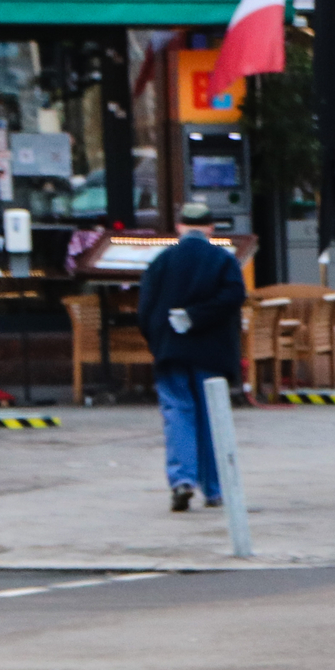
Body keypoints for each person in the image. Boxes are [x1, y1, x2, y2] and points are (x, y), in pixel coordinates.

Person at [135, 199, 246, 513]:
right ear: (210, 227)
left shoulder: (162, 261)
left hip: (171, 351)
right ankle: (214, 489)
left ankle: (182, 480)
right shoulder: (223, 260)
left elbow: (145, 310)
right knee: (212, 416)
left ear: (180, 227)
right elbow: (234, 296)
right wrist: (198, 316)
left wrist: (160, 340)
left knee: (178, 413)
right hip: (212, 353)